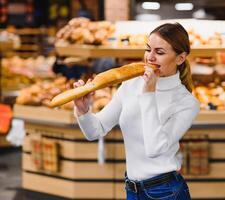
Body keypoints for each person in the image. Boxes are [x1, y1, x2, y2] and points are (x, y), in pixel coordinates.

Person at [73, 23, 199, 200]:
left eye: (160, 52)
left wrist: (149, 92)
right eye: (148, 49)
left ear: (180, 58)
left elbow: (155, 148)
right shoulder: (131, 84)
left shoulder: (186, 102)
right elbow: (95, 130)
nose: (150, 57)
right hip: (132, 190)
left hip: (166, 192)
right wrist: (83, 110)